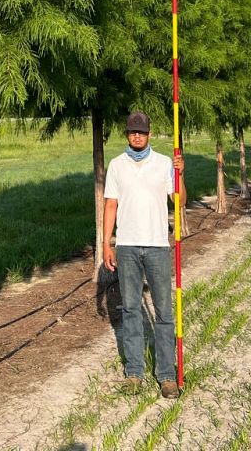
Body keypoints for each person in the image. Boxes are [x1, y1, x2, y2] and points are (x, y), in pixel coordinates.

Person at [103, 110, 186, 399]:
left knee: (164, 312)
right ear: (126, 134)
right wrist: (106, 243)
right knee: (131, 310)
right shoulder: (116, 165)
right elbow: (111, 205)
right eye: (132, 131)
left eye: (141, 131)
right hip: (126, 247)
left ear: (149, 134)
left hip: (157, 247)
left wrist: (180, 175)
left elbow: (179, 201)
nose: (136, 135)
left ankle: (166, 375)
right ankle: (134, 372)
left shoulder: (165, 164)